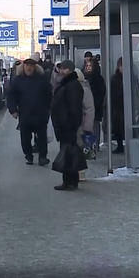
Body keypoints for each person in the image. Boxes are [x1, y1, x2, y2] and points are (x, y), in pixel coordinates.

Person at [7, 54, 53, 166]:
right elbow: (11, 96)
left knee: (42, 138)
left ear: (35, 67)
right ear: (23, 67)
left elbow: (49, 95)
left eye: (31, 66)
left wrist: (48, 108)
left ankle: (42, 157)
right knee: (25, 138)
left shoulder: (42, 79)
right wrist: (13, 110)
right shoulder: (17, 80)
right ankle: (29, 156)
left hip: (40, 113)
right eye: (27, 66)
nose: (29, 68)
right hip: (25, 114)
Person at [50, 60, 86, 190]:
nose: (61, 71)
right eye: (61, 69)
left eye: (65, 69)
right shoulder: (66, 84)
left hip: (68, 126)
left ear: (70, 70)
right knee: (68, 152)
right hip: (64, 125)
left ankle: (69, 181)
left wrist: (68, 122)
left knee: (68, 153)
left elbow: (74, 108)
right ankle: (70, 180)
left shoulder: (72, 85)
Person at [110, 57, 139, 154]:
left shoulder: (133, 77)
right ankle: (120, 145)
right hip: (117, 106)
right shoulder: (114, 78)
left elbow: (137, 91)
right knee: (117, 127)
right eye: (121, 66)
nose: (123, 68)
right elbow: (111, 93)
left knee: (130, 126)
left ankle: (134, 146)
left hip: (129, 106)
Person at [74, 68, 95, 182]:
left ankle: (81, 172)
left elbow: (89, 110)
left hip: (81, 125)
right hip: (74, 124)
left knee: (81, 148)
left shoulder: (84, 90)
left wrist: (87, 127)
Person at [84, 58, 106, 144]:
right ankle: (89, 144)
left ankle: (95, 144)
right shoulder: (85, 78)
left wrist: (97, 103)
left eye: (90, 66)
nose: (88, 68)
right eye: (87, 66)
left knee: (95, 125)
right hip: (86, 106)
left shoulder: (98, 79)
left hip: (96, 106)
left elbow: (102, 92)